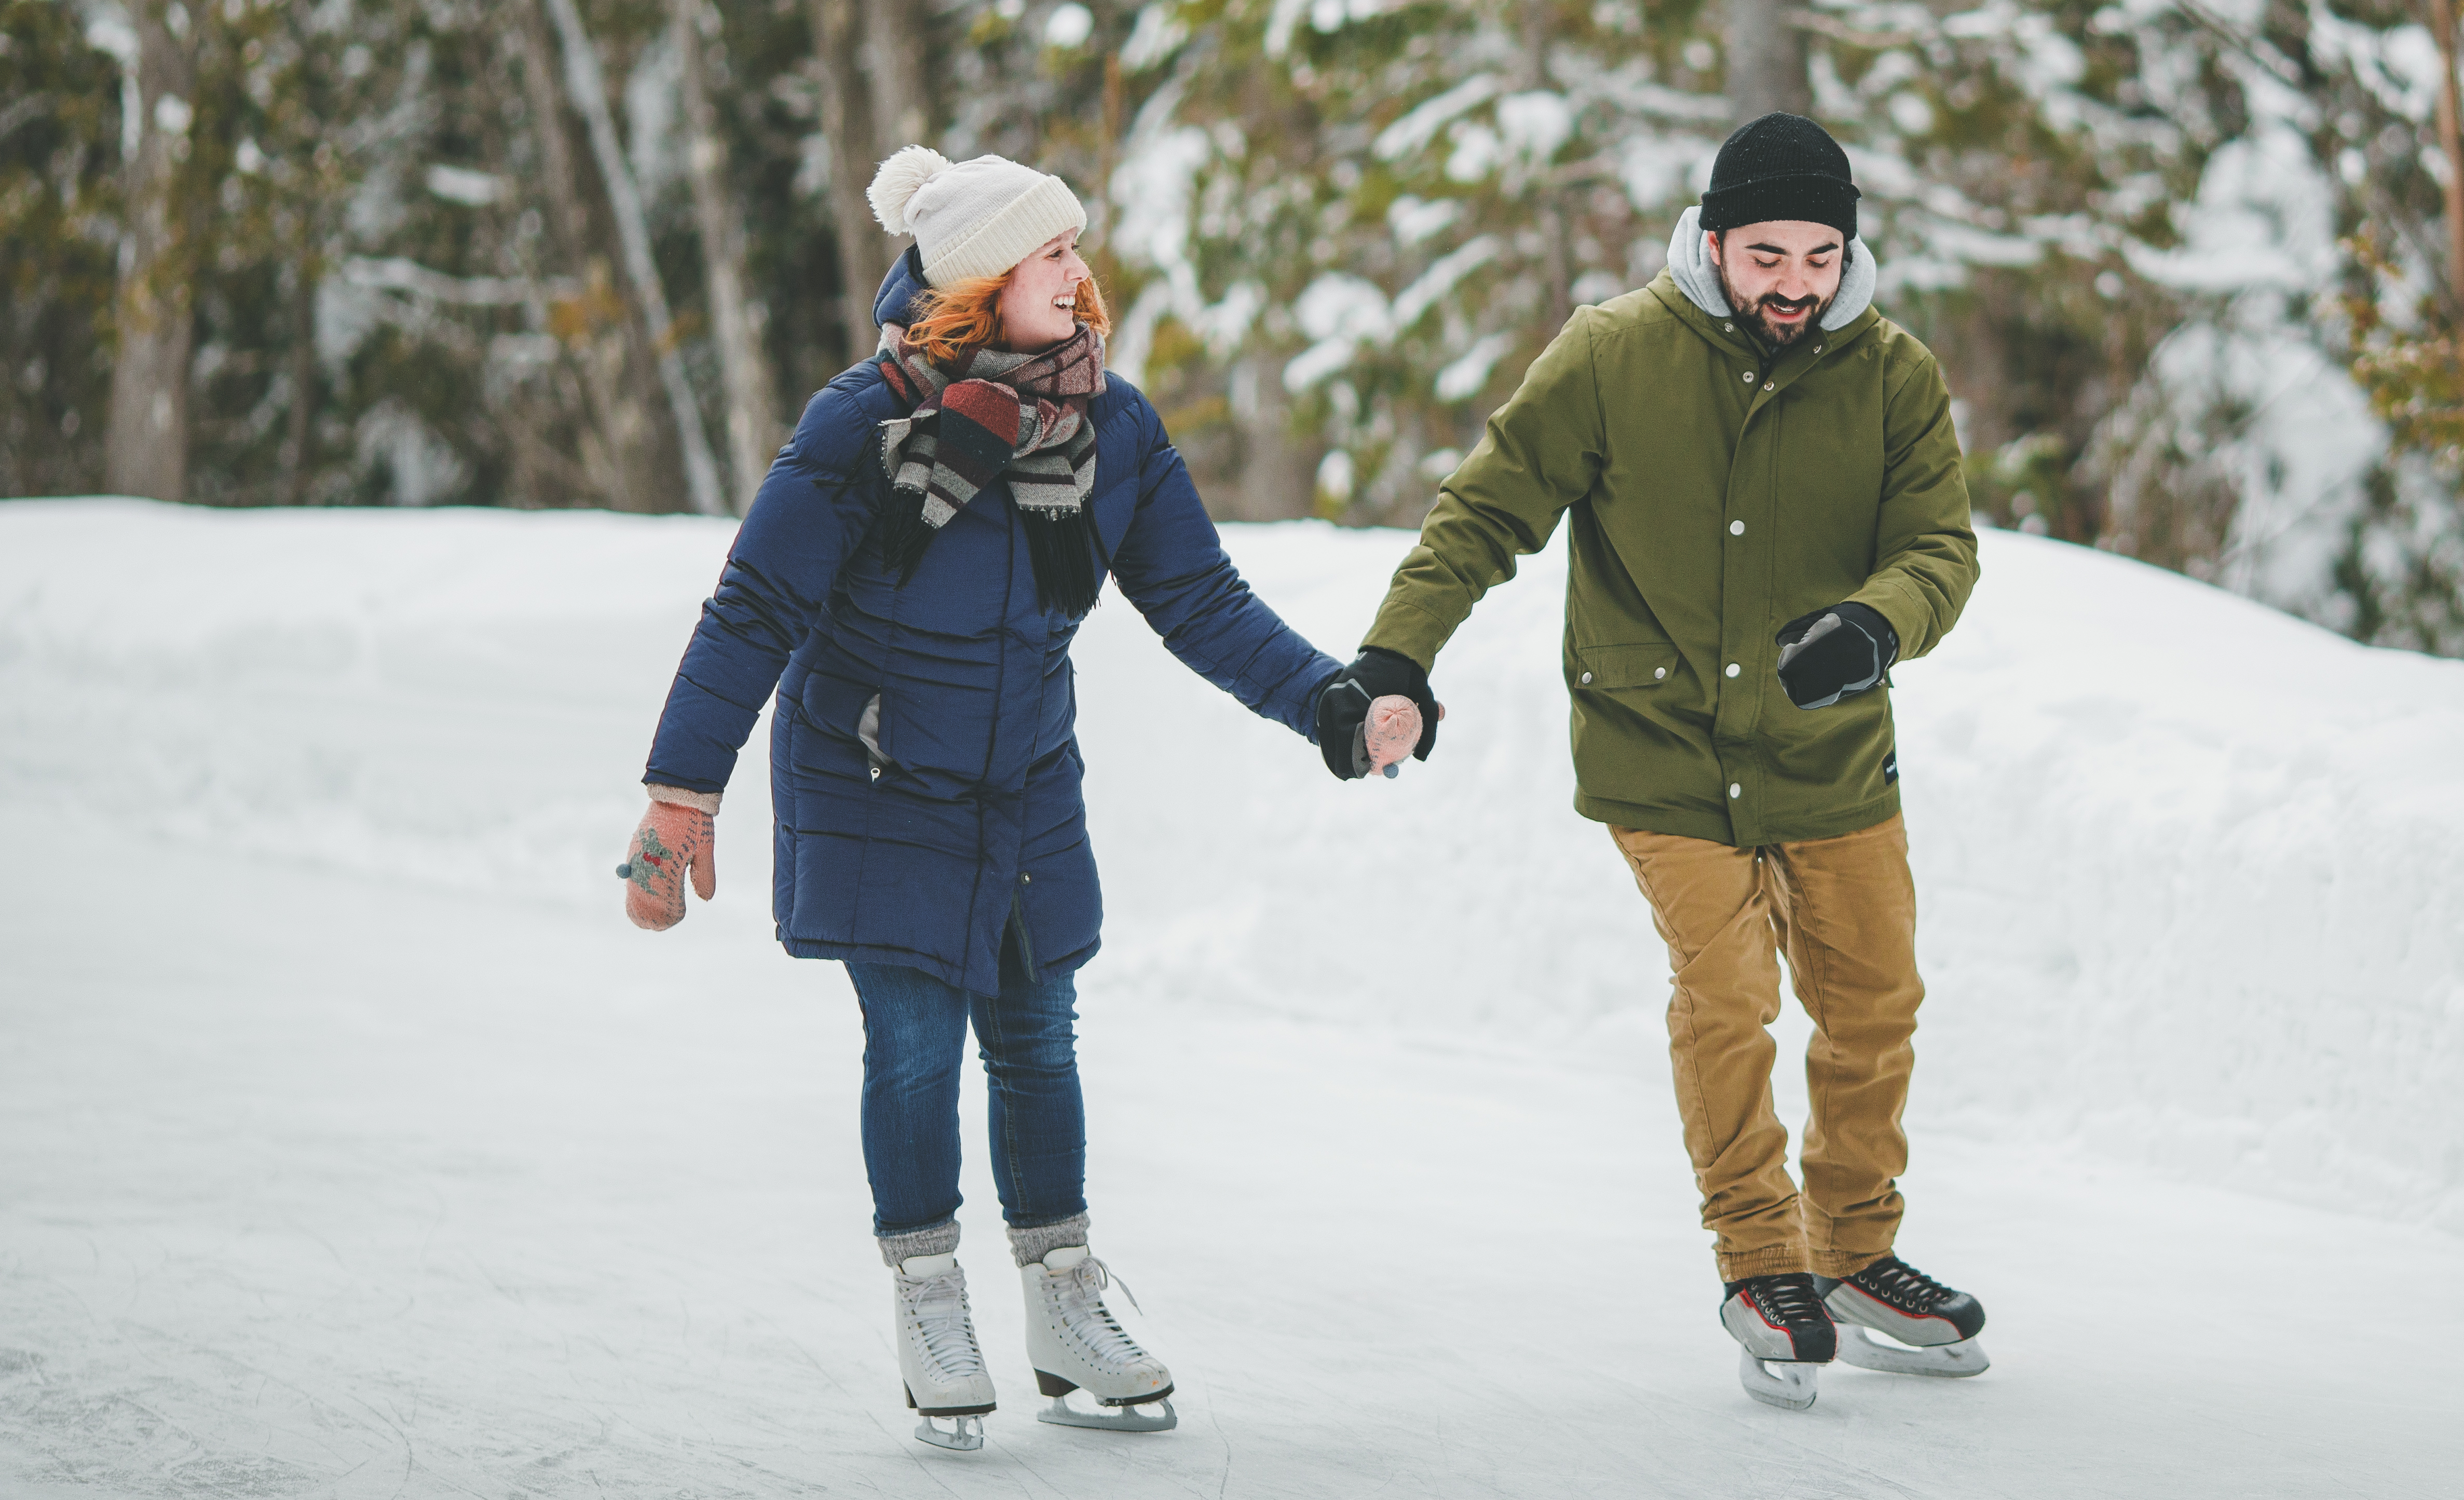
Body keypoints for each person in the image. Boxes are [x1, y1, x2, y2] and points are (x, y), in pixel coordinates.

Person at [616, 145, 1426, 1454]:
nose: (1080, 272)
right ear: (982, 283)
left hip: (1022, 776)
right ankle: (932, 1297)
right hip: (874, 772)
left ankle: (1064, 1302)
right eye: (1051, 252)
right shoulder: (862, 426)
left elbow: (1201, 600)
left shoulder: (1109, 424)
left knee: (1040, 1039)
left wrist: (1330, 703)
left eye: (1075, 247)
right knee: (919, 1043)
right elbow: (755, 606)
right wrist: (680, 794)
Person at [1337, 111, 1986, 1409]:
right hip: (1664, 746)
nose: (1793, 284)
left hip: (1830, 749)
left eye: (1817, 256)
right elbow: (1486, 510)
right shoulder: (1614, 353)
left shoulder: (1891, 373)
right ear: (1712, 239)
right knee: (1729, 986)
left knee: (1874, 1001)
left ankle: (1855, 1247)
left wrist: (1873, 625)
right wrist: (1396, 659)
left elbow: (1940, 549)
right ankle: (1762, 1256)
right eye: (1766, 255)